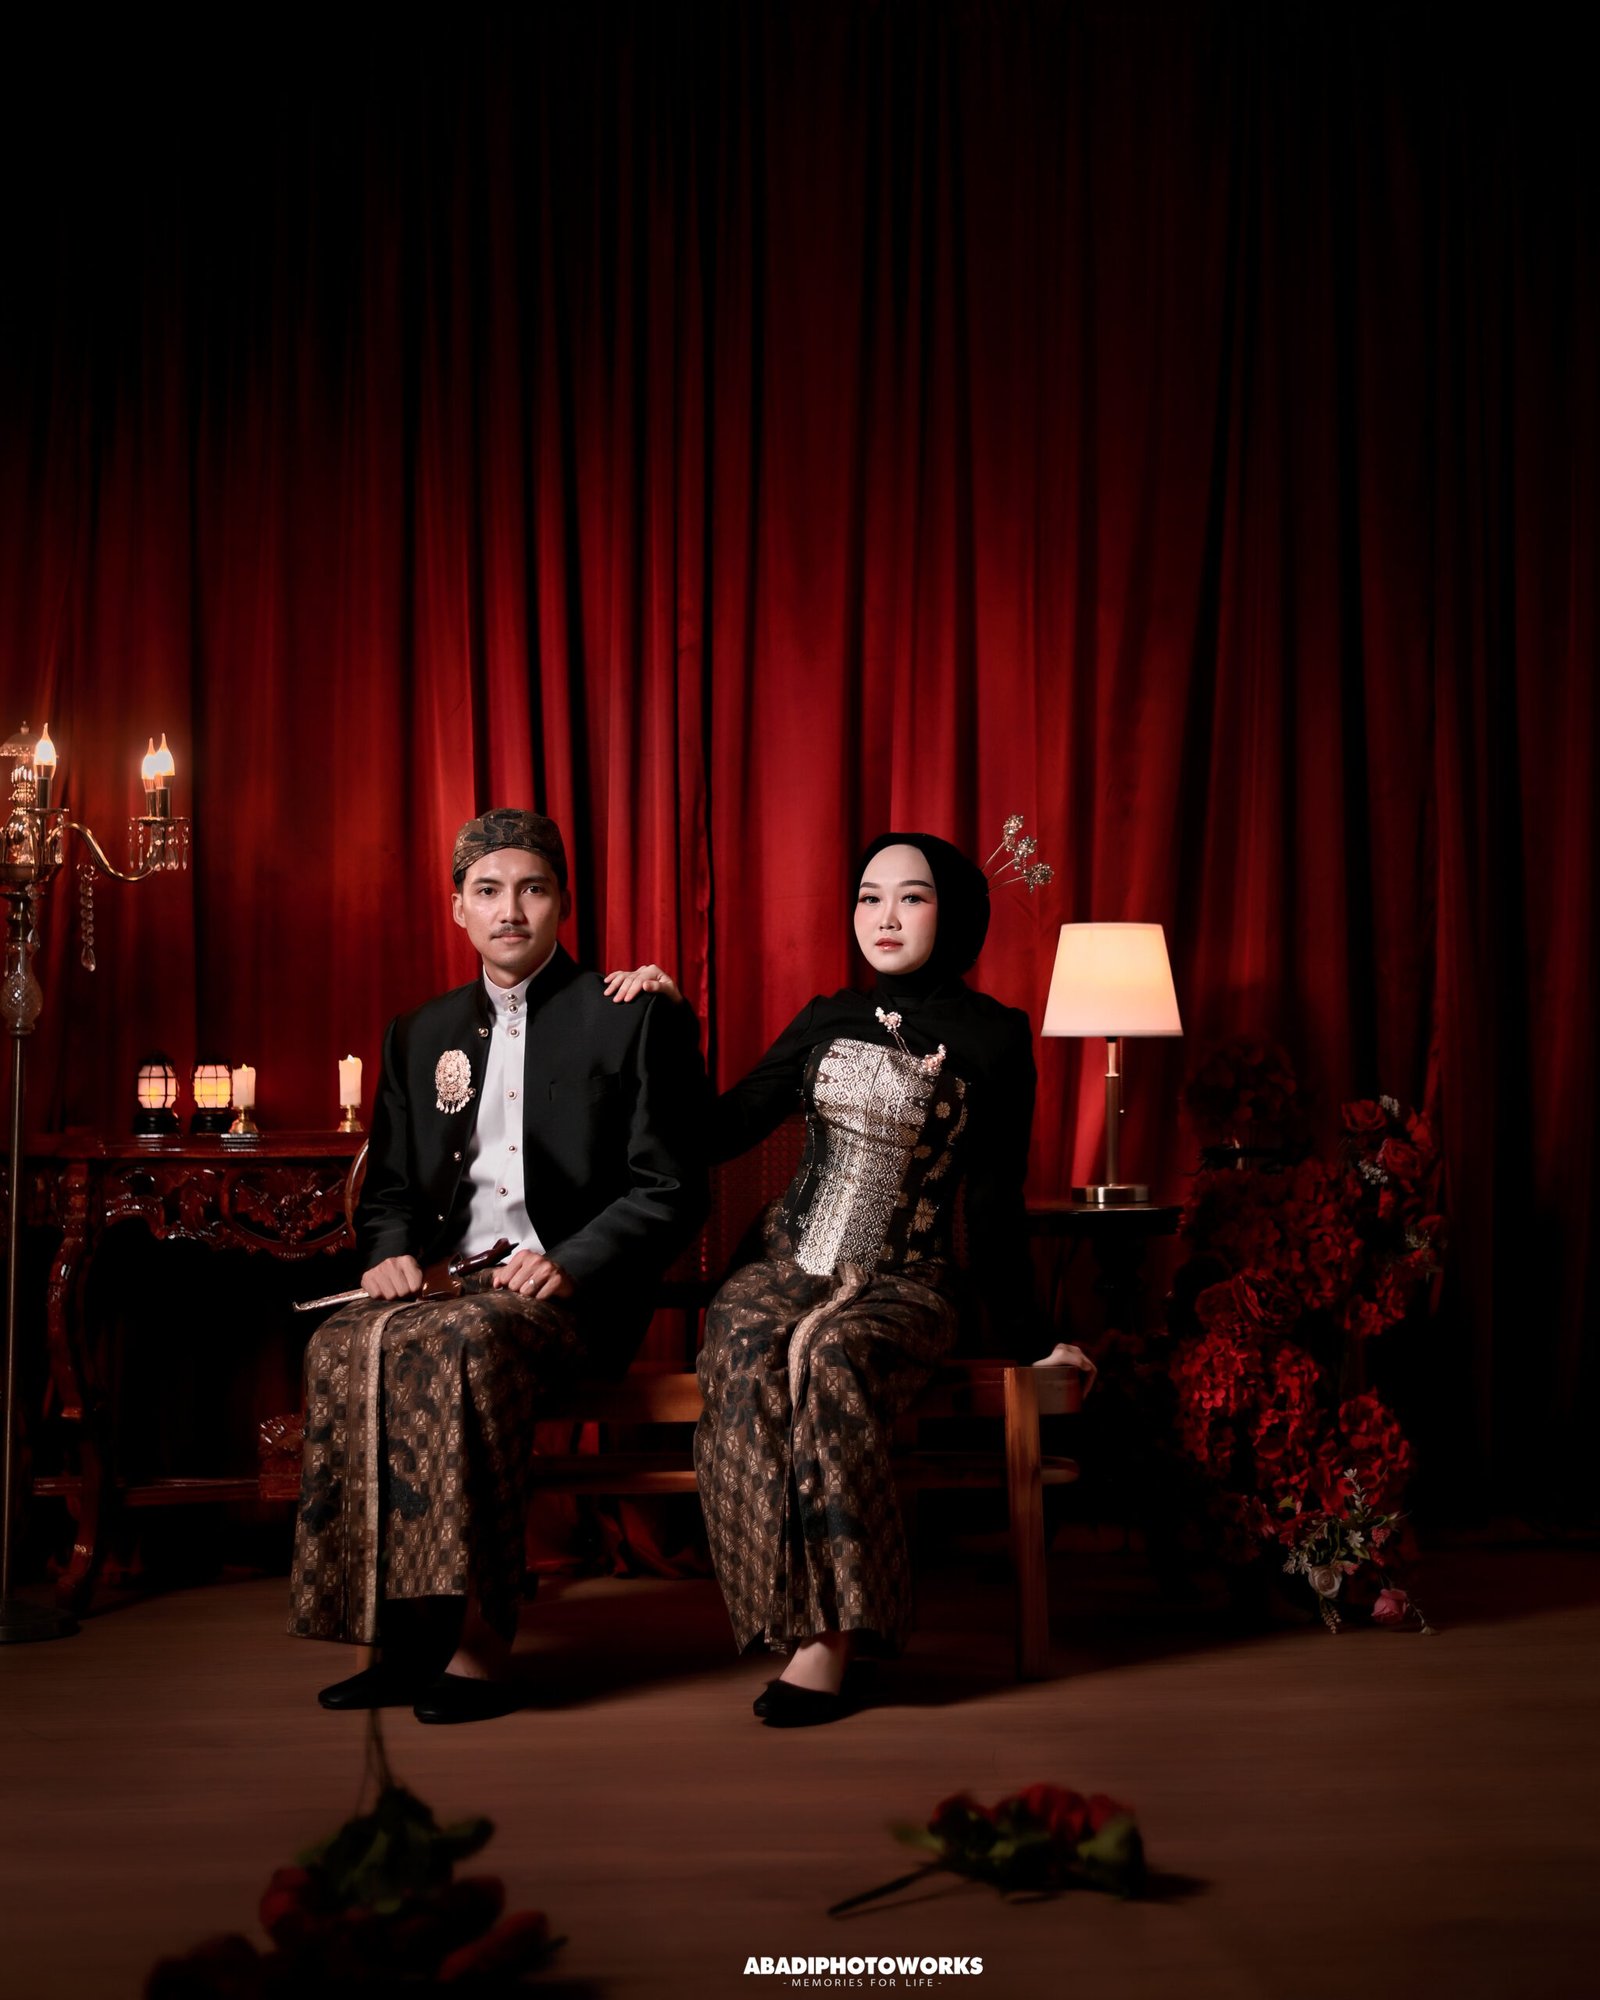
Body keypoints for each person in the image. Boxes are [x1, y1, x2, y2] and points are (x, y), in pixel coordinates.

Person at [606, 833, 1042, 1725]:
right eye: (869, 897)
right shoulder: (826, 1016)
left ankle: (836, 1640)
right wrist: (674, 1023)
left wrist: (1036, 1342)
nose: (885, 917)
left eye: (912, 897)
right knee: (744, 1342)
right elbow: (719, 1131)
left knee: (831, 1357)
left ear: (955, 912)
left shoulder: (995, 1036)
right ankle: (789, 1615)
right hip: (787, 1261)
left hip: (907, 1280)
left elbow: (997, 1204)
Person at [291, 808, 707, 1724]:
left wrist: (572, 1260)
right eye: (488, 891)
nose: (509, 909)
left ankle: (480, 1637)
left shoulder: (629, 1014)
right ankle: (399, 1636)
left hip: (570, 1297)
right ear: (458, 909)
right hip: (448, 1287)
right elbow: (391, 1190)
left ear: (562, 903)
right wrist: (389, 1255)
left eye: (532, 889)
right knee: (340, 1345)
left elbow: (671, 1189)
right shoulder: (419, 1032)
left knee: (460, 1347)